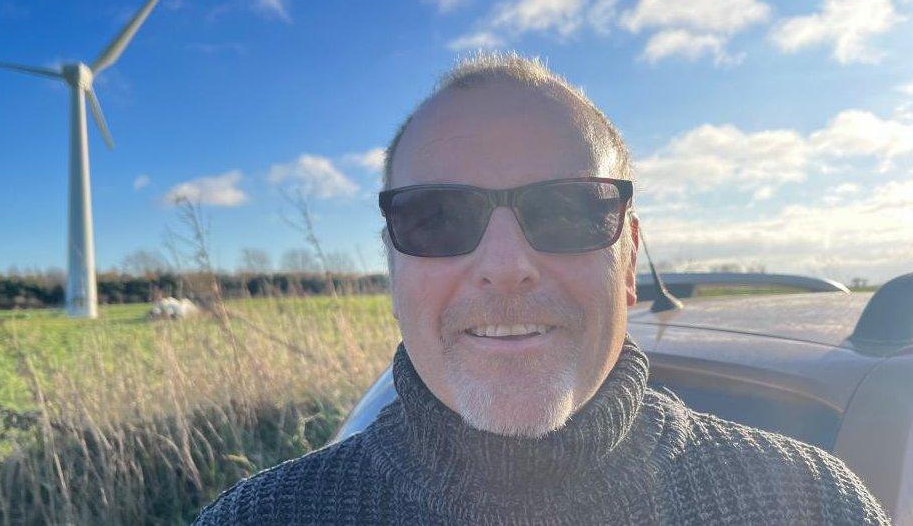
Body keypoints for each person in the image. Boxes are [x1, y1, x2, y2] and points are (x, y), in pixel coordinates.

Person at [195, 52, 889, 525]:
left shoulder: (811, 503)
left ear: (628, 260)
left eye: (566, 210)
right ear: (392, 265)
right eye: (436, 217)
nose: (505, 263)